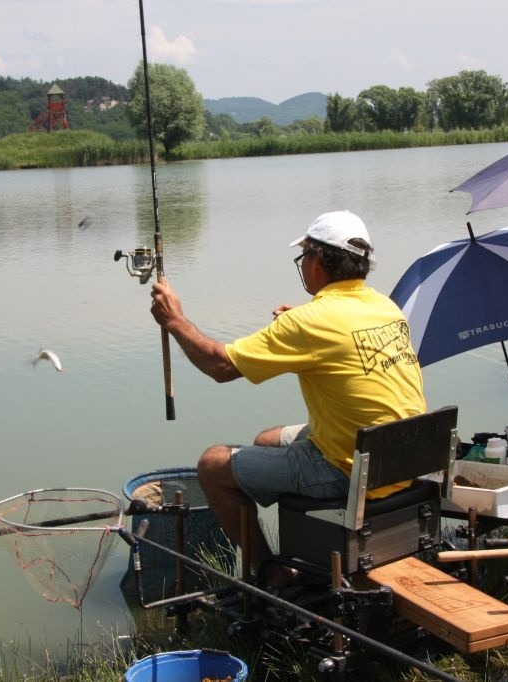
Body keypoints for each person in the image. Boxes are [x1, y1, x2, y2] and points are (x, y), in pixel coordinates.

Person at [149, 210, 426, 587]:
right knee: (268, 439)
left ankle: (270, 573)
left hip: (349, 471)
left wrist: (175, 320)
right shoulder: (385, 307)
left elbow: (220, 366)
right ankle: (308, 554)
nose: (304, 265)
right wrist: (304, 321)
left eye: (305, 256)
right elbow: (340, 338)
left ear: (320, 262)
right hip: (401, 461)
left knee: (213, 465)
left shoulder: (310, 323)